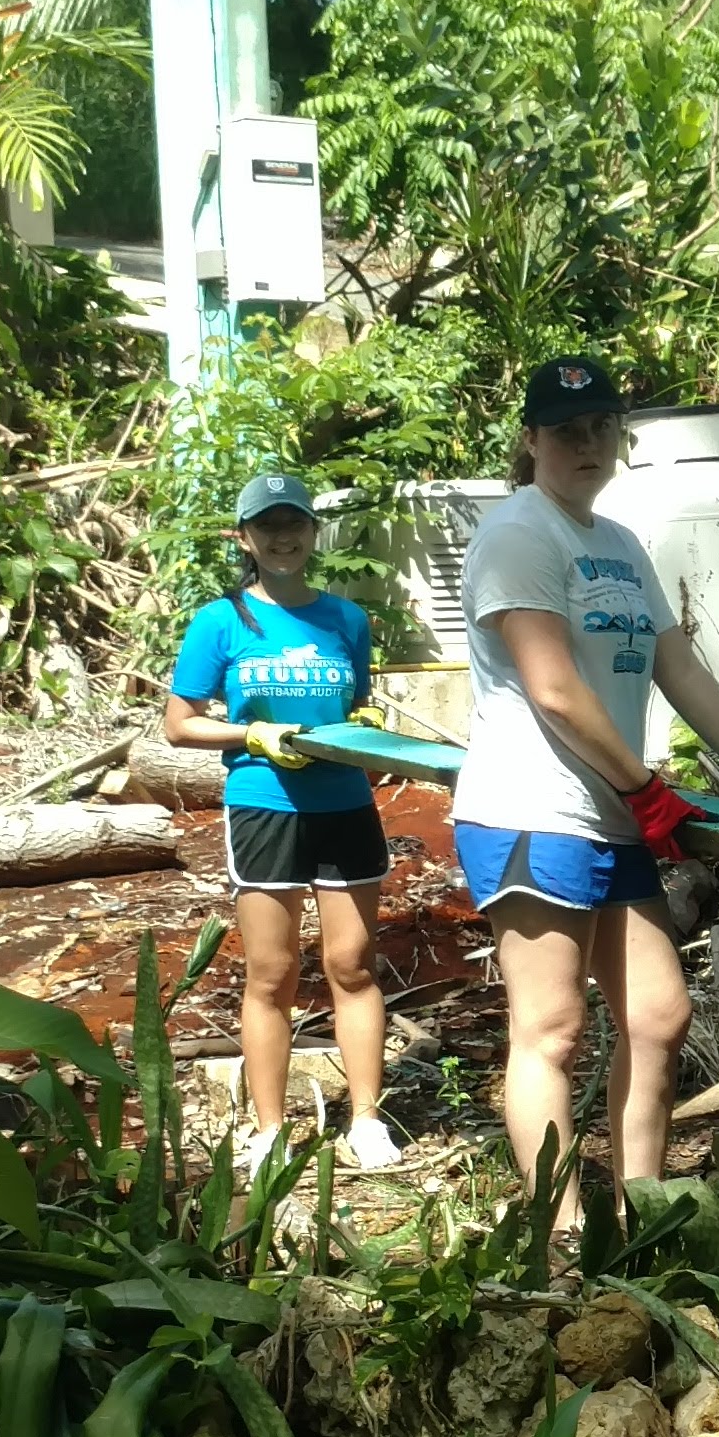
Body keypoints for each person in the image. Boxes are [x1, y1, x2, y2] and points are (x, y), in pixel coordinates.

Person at [452, 355, 719, 1232]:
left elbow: (678, 665)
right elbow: (553, 689)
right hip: (533, 807)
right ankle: (557, 1234)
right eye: (566, 430)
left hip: (613, 810)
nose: (587, 443)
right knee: (553, 1028)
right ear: (531, 440)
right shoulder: (520, 534)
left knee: (658, 1014)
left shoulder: (617, 541)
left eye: (602, 426)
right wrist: (644, 787)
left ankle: (644, 1214)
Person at [158, 472, 403, 1172]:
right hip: (266, 806)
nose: (283, 535)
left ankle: (365, 1120)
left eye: (294, 521)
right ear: (245, 537)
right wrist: (250, 737)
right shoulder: (221, 621)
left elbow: (353, 703)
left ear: (313, 530)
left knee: (352, 964)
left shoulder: (346, 620)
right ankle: (269, 1130)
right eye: (267, 525)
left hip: (345, 806)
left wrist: (363, 727)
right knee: (272, 971)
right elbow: (179, 725)